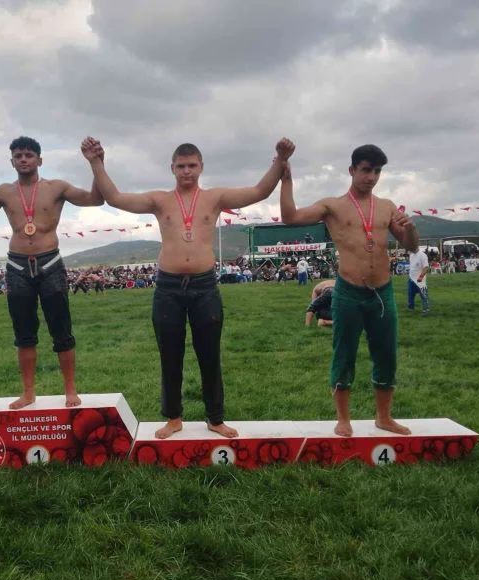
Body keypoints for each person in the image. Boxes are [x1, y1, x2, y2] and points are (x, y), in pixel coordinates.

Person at [83, 136, 295, 439]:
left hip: (204, 286)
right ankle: (173, 418)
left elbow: (259, 191)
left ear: (201, 167)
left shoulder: (215, 198)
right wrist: (96, 163)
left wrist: (280, 160)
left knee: (210, 355)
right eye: (181, 166)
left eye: (192, 165)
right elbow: (115, 198)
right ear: (172, 168)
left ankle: (215, 418)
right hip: (168, 288)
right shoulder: (159, 200)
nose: (187, 171)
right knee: (170, 356)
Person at [280, 144, 419, 437]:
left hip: (382, 292)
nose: (372, 177)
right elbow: (290, 216)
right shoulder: (333, 206)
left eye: (377, 171)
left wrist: (411, 228)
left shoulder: (387, 206)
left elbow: (411, 246)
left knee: (386, 354)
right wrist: (287, 178)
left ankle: (384, 417)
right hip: (348, 292)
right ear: (352, 170)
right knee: (343, 354)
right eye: (366, 170)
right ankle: (343, 419)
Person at [0, 136, 103, 410]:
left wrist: (96, 162)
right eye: (18, 156)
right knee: (23, 333)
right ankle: (28, 393)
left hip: (50, 263)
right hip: (17, 266)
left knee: (62, 330)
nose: (23, 159)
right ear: (11, 161)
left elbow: (95, 199)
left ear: (40, 160)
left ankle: (70, 389)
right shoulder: (4, 191)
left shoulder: (57, 187)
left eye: (28, 155)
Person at [408, 247, 430, 314]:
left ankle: (426, 309)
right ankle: (411, 309)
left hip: (420, 280)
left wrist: (421, 277)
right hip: (411, 279)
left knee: (423, 295)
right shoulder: (411, 255)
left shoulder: (422, 255)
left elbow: (426, 267)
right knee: (410, 295)